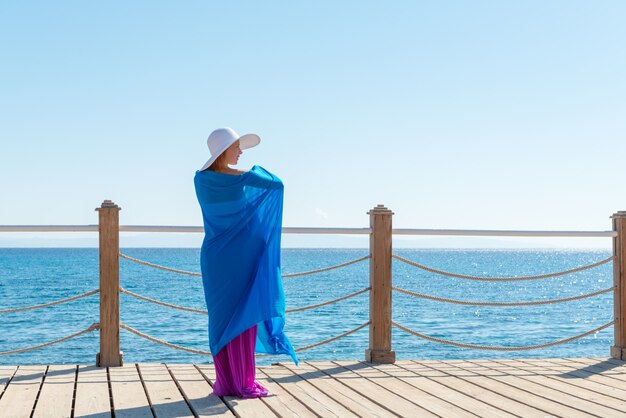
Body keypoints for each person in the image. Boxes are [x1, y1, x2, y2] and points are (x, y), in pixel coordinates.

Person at [194, 127, 297, 398]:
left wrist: (243, 175)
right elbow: (276, 184)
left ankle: (230, 382)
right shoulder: (233, 179)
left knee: (226, 318)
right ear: (223, 150)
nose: (240, 152)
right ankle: (239, 381)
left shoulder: (200, 179)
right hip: (236, 259)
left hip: (218, 258)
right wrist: (250, 173)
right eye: (237, 147)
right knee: (236, 317)